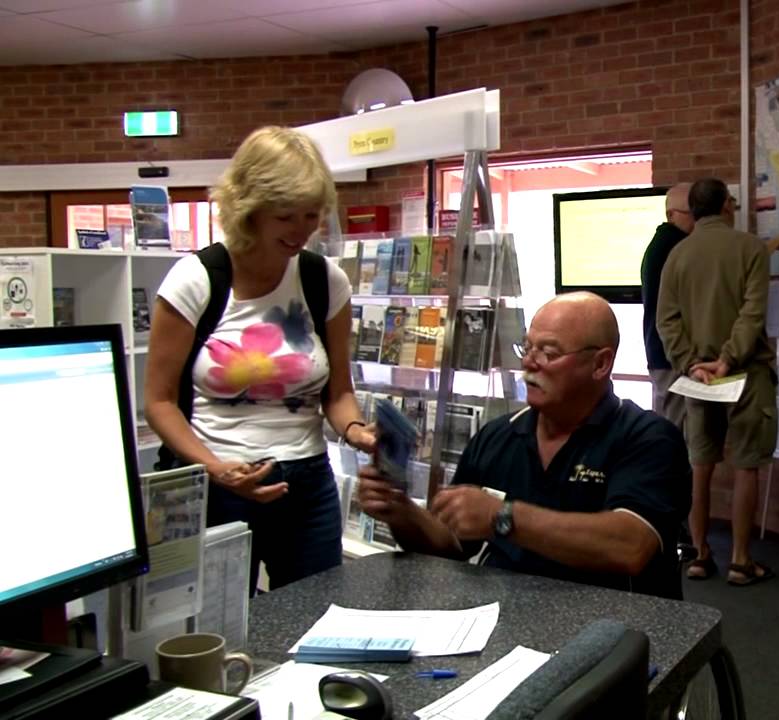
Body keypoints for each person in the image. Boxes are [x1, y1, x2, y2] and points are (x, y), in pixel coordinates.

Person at [144, 126, 376, 592]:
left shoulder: (322, 280)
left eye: (312, 215)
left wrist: (355, 431)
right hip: (215, 484)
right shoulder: (197, 280)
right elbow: (159, 401)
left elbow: (339, 393)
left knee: (314, 615)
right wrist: (214, 466)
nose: (301, 230)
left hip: (306, 483)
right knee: (216, 623)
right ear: (249, 210)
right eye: (286, 216)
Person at [358, 292, 692, 599]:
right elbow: (453, 544)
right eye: (527, 348)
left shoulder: (648, 439)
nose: (530, 363)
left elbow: (630, 546)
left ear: (601, 364)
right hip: (498, 619)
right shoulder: (498, 436)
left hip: (608, 631)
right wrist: (401, 512)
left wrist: (502, 517)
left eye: (549, 352)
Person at [656, 177, 779, 587]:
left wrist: (693, 365)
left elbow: (667, 321)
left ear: (693, 211)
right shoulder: (749, 249)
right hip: (745, 373)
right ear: (728, 205)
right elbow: (752, 313)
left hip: (696, 379)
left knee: (700, 465)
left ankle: (699, 555)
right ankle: (741, 561)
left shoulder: (677, 255)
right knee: (747, 467)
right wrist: (727, 359)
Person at [640, 182, 694, 428]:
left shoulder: (664, 243)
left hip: (664, 355)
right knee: (673, 435)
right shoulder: (674, 246)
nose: (697, 221)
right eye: (691, 213)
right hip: (671, 357)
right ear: (671, 214)